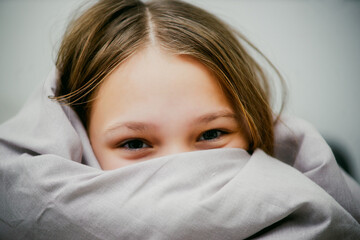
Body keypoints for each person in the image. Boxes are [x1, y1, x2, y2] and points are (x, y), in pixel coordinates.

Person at [0, 0, 359, 239]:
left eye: (212, 134)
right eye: (135, 143)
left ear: (252, 131)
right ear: (78, 141)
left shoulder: (314, 194)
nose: (182, 171)